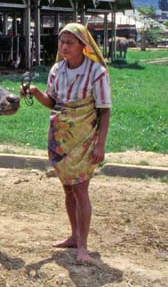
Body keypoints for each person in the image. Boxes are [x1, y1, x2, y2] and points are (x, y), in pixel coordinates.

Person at [21, 23, 111, 264]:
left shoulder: (97, 73)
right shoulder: (56, 70)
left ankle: (83, 246)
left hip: (84, 138)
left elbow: (104, 112)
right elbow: (53, 103)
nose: (64, 47)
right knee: (68, 188)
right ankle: (74, 236)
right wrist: (36, 92)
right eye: (62, 42)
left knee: (81, 189)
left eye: (70, 43)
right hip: (60, 138)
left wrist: (100, 145)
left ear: (84, 46)